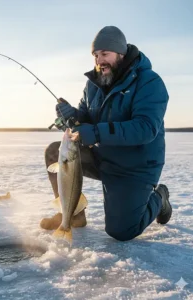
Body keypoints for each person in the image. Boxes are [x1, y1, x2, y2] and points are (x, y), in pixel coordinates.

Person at [40, 25, 172, 241]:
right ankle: (73, 216)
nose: (99, 60)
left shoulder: (150, 82)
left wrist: (96, 133)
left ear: (120, 53)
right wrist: (70, 116)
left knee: (121, 231)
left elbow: (145, 128)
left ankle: (160, 198)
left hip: (135, 167)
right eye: (95, 55)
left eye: (105, 54)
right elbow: (84, 119)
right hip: (104, 158)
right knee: (56, 151)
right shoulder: (94, 84)